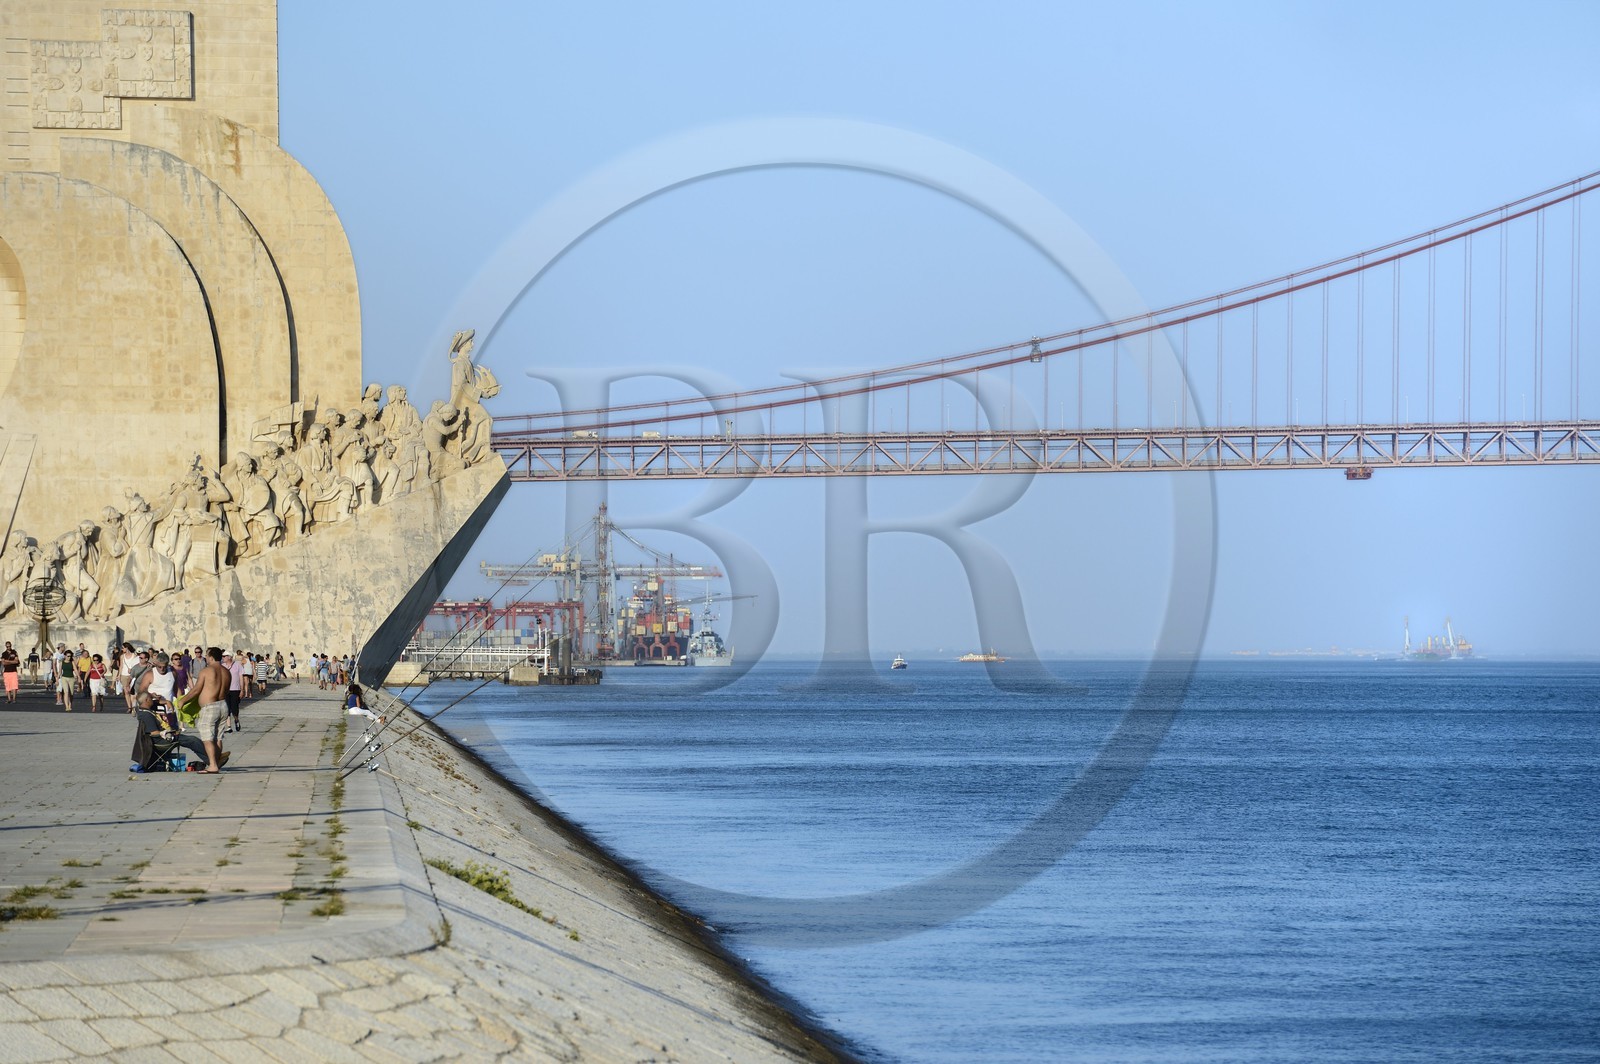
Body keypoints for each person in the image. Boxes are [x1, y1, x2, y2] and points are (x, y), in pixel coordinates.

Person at [192, 647, 230, 773]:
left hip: (210, 707)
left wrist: (183, 700)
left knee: (207, 737)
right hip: (223, 705)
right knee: (218, 737)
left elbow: (197, 689)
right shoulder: (226, 671)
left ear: (211, 657)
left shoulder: (207, 671)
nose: (205, 658)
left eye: (207, 656)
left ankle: (213, 765)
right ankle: (216, 762)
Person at [224, 651, 244, 733]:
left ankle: (236, 719)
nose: (223, 658)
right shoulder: (223, 666)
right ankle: (229, 727)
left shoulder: (237, 665)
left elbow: (241, 677)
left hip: (235, 689)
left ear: (229, 657)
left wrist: (242, 690)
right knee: (226, 709)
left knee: (234, 708)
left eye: (224, 656)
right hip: (225, 690)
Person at [55, 644, 73, 711]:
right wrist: (56, 676)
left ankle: (68, 703)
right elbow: (54, 665)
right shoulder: (55, 654)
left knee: (69, 692)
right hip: (62, 676)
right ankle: (60, 701)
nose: (69, 657)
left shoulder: (66, 656)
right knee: (63, 690)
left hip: (70, 677)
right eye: (63, 647)